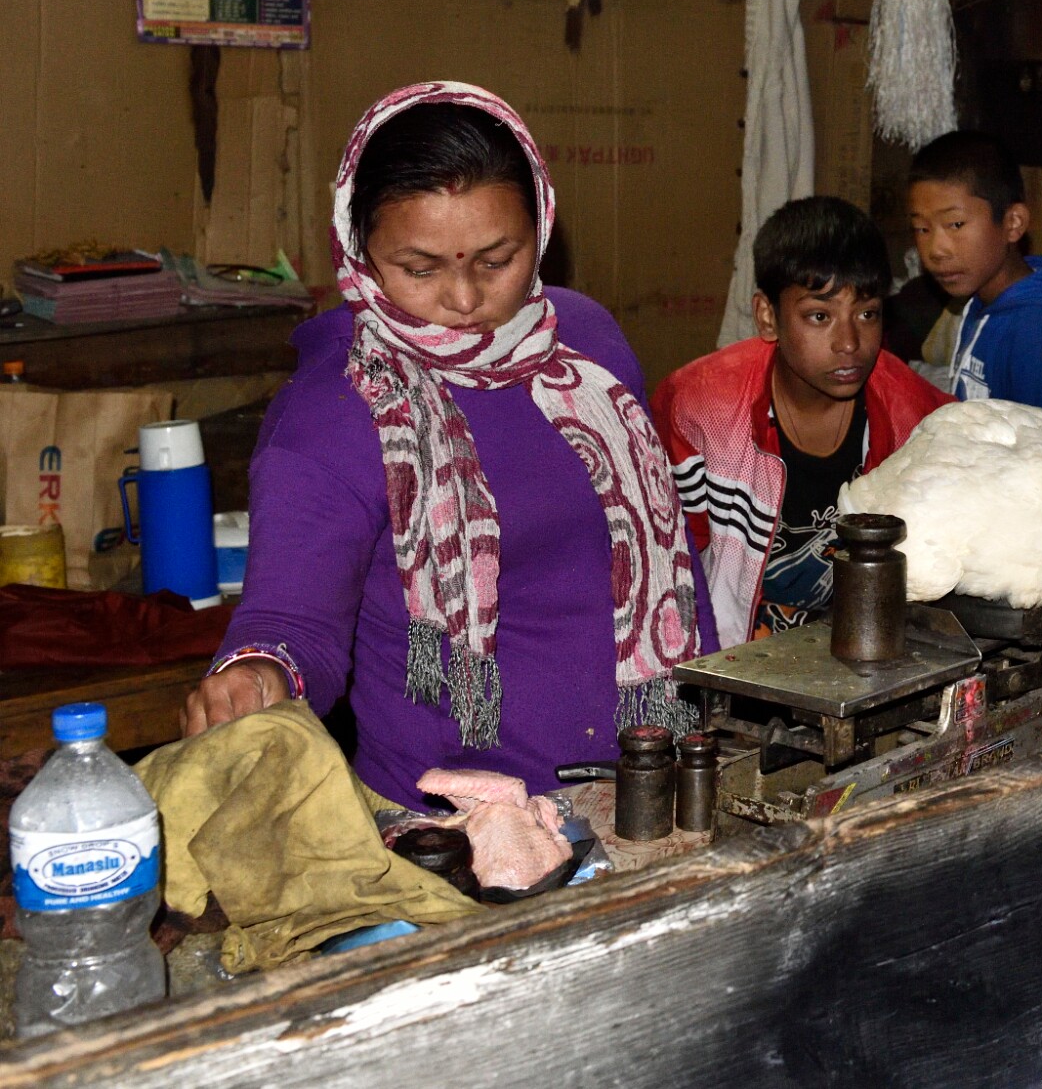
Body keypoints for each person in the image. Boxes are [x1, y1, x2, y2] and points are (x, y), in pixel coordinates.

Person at [182, 81, 709, 808]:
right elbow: (293, 620)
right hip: (460, 824)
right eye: (421, 269)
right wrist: (258, 671)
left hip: (657, 781)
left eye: (497, 260)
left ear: (541, 228)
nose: (463, 301)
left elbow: (663, 549)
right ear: (359, 249)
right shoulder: (334, 413)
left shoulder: (587, 343)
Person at [653, 196, 948, 647]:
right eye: (819, 316)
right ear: (768, 317)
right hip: (726, 658)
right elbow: (668, 565)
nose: (848, 342)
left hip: (867, 653)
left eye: (867, 313)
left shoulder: (917, 416)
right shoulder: (698, 410)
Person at [907, 130, 1042, 423]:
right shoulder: (984, 298)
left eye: (955, 224)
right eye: (922, 229)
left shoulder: (1041, 333)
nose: (936, 250)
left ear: (1013, 223)